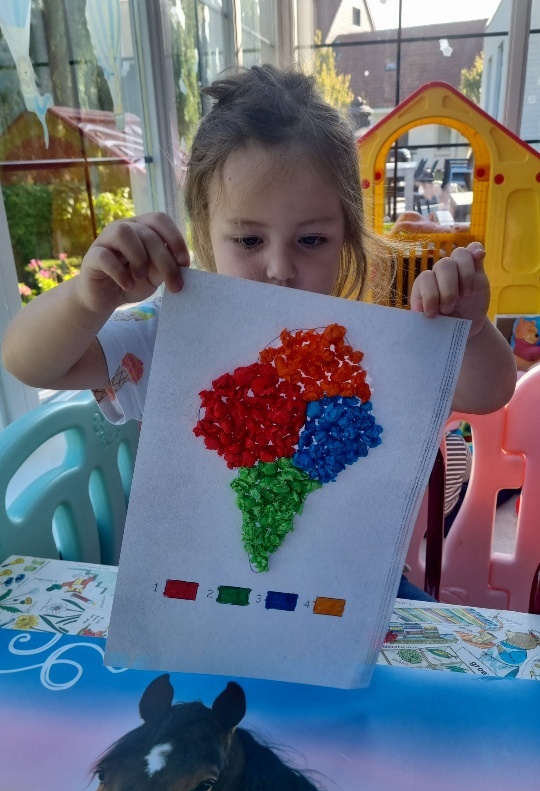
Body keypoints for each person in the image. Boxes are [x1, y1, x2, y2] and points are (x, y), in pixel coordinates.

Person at [2, 65, 516, 600]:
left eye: (311, 240)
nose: (279, 268)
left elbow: (490, 393)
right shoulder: (170, 335)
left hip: (350, 595)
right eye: (249, 240)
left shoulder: (367, 342)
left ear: (346, 237)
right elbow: (29, 363)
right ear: (205, 232)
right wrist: (87, 299)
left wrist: (470, 331)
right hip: (204, 594)